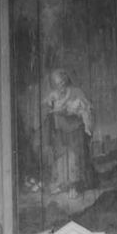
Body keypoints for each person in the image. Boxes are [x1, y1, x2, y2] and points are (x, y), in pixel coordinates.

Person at [42, 69, 95, 197]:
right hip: (60, 129)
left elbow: (86, 108)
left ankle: (73, 186)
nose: (60, 85)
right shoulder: (54, 94)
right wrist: (51, 105)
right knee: (60, 157)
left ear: (66, 80)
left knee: (73, 157)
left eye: (61, 82)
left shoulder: (76, 92)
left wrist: (73, 110)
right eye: (57, 83)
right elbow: (46, 105)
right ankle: (61, 184)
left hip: (74, 128)